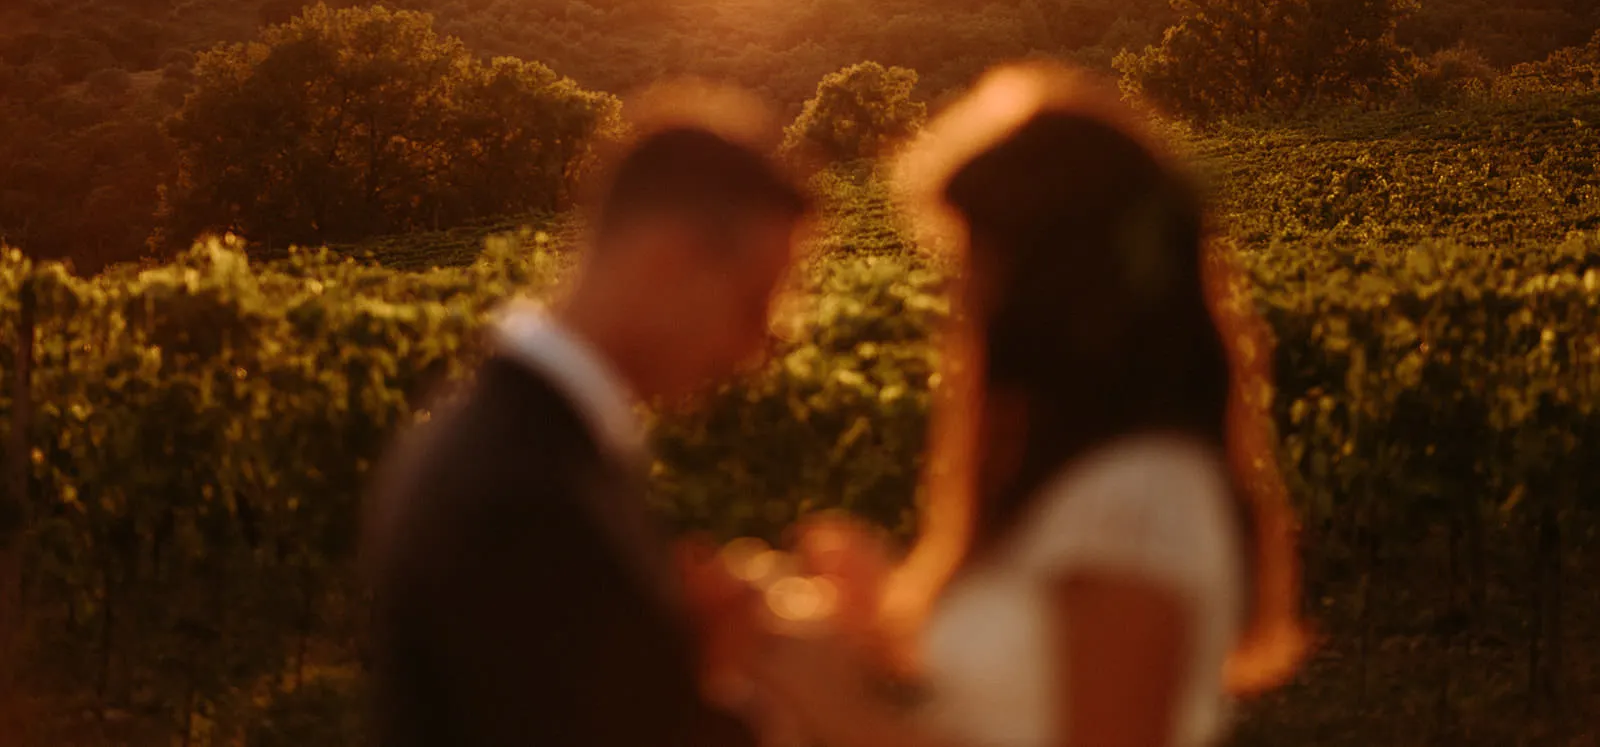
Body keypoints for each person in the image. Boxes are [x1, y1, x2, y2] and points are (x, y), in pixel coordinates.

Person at [746, 64, 1309, 747]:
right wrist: (882, 624)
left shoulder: (1138, 499)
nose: (960, 298)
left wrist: (842, 715)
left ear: (1050, 285)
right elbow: (1024, 698)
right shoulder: (1083, 482)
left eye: (973, 262)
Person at [365, 82, 810, 747]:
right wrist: (806, 704)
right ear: (668, 263)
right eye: (755, 306)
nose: (754, 352)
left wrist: (680, 654)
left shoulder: (522, 438)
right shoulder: (519, 492)